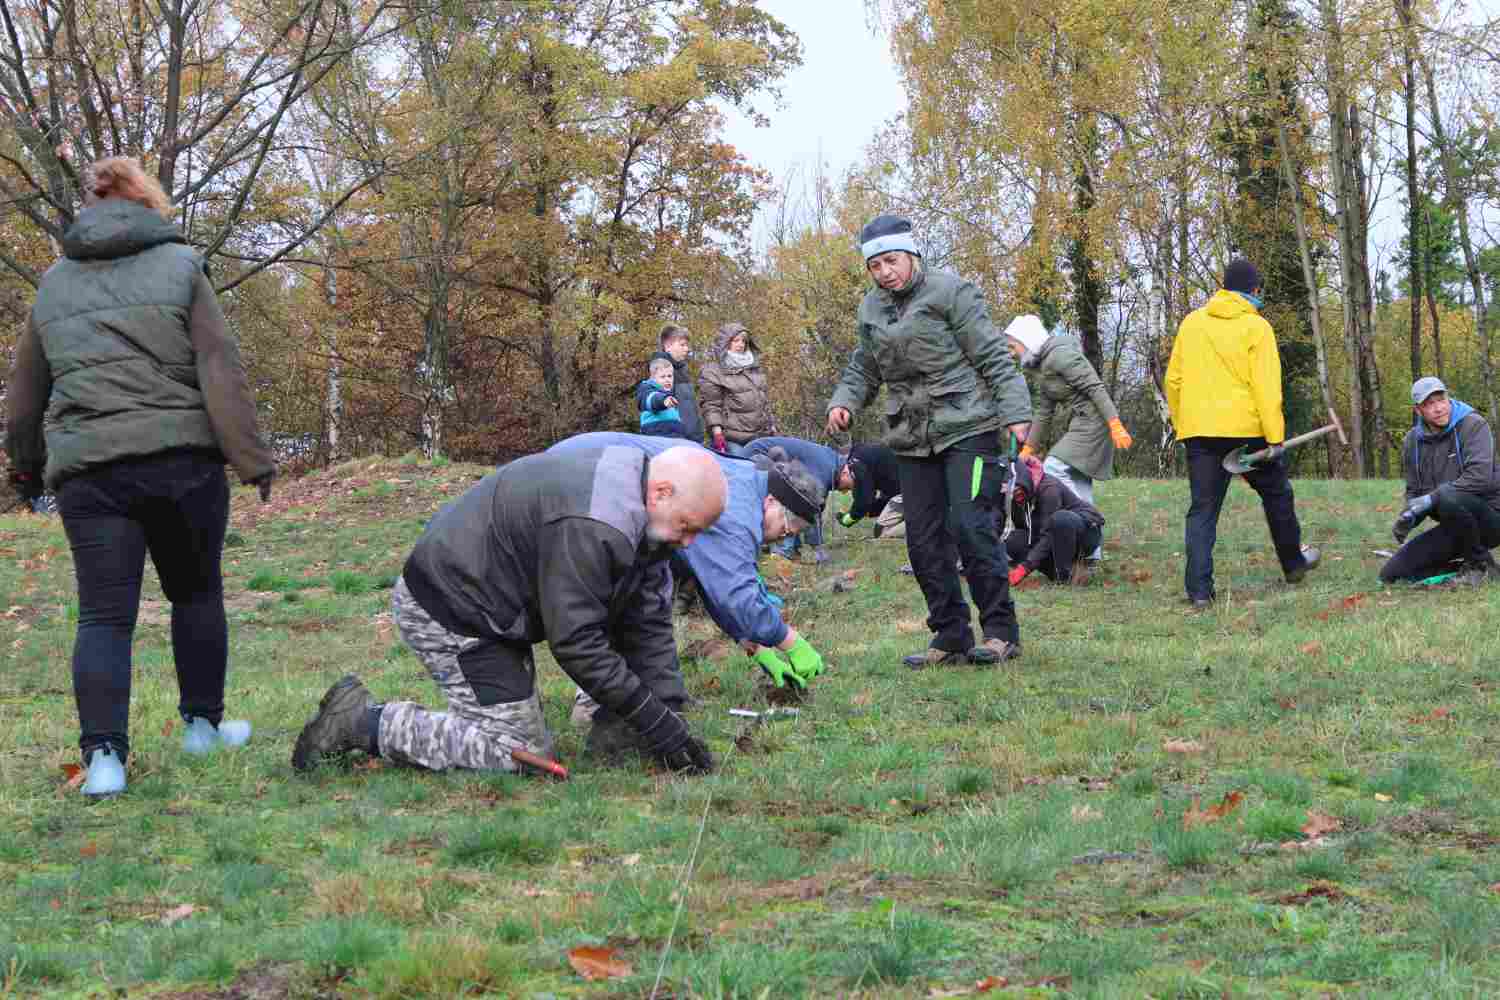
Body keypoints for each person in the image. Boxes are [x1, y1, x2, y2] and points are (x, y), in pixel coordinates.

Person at [4, 156, 275, 797]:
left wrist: (25, 469)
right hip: (183, 465)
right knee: (196, 594)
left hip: (92, 473)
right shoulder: (182, 266)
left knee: (103, 616)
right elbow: (219, 366)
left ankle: (104, 762)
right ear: (148, 203)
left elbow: (25, 390)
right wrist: (251, 458)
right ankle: (202, 728)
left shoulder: (55, 284)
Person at [292, 444, 728, 776]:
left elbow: (647, 621)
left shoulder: (641, 503)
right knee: (520, 753)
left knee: (546, 731)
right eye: (687, 526)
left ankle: (602, 718)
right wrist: (654, 721)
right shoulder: (596, 525)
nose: (689, 542)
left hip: (497, 606)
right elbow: (577, 643)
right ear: (662, 492)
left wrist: (669, 715)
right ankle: (362, 722)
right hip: (452, 609)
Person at [826, 213, 1033, 668]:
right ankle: (950, 634)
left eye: (891, 261)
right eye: (875, 265)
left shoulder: (951, 292)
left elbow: (994, 355)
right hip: (910, 436)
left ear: (911, 254)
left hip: (968, 427)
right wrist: (844, 402)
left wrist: (1017, 412)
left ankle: (1001, 631)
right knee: (922, 540)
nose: (885, 272)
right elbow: (864, 367)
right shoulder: (871, 309)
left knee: (972, 527)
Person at [549, 432, 828, 700]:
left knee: (639, 595)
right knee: (602, 600)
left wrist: (759, 650)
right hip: (577, 479)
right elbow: (736, 594)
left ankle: (651, 699)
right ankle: (596, 703)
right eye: (786, 528)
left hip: (585, 472)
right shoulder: (736, 509)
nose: (782, 538)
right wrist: (791, 642)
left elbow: (712, 581)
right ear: (772, 501)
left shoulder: (744, 481)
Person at [1166, 258, 1320, 608]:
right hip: (1246, 433)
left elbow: (1173, 380)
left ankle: (1199, 592)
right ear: (1254, 290)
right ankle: (1293, 564)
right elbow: (1266, 388)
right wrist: (1275, 437)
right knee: (1277, 494)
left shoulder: (1191, 323)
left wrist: (1183, 423)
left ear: (1223, 287)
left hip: (1200, 432)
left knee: (1203, 510)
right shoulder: (1257, 327)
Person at [1004, 314, 1131, 561]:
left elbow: (1094, 386)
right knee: (1078, 480)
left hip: (1095, 421)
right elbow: (1044, 412)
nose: (1012, 353)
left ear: (1026, 341)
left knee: (1053, 467)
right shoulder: (1042, 366)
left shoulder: (1060, 355)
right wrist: (1028, 449)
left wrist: (1115, 424)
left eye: (1013, 346)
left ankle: (1079, 524)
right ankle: (1091, 552)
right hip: (1079, 423)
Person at [1380, 377, 1500, 585]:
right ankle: (1477, 566)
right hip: (1456, 525)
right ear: (1418, 410)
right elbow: (1415, 491)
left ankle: (1478, 565)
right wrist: (1410, 515)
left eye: (1441, 400)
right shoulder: (1412, 441)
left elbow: (1480, 477)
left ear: (1448, 398)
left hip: (1492, 517)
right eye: (1429, 404)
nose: (1438, 408)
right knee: (1392, 574)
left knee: (1446, 496)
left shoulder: (1473, 425)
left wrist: (1432, 499)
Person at [743, 435, 852, 563]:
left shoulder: (831, 462)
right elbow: (810, 510)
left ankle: (790, 550)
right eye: (848, 487)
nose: (846, 491)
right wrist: (818, 548)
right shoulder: (826, 469)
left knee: (790, 512)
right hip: (757, 454)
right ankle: (781, 554)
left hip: (765, 452)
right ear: (846, 472)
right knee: (785, 511)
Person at [1003, 456, 1106, 586]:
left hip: (1085, 532)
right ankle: (1066, 573)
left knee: (1060, 519)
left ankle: (1064, 577)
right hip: (1053, 538)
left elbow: (1048, 534)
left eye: (1016, 490)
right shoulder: (1014, 498)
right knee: (1013, 541)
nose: (1014, 495)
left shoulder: (1049, 489)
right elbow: (1024, 531)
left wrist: (1025, 567)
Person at [699, 322, 775, 456]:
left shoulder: (754, 369)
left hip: (760, 436)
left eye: (743, 341)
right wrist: (717, 434)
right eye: (736, 341)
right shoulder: (713, 372)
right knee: (741, 466)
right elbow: (711, 406)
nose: (741, 344)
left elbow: (764, 402)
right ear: (725, 343)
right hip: (732, 438)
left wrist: (772, 425)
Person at [836, 443, 902, 538]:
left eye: (843, 487)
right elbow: (873, 501)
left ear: (844, 472)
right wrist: (865, 511)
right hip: (902, 488)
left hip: (908, 490)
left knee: (881, 531)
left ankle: (919, 527)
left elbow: (864, 500)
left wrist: (847, 519)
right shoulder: (861, 457)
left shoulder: (856, 465)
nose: (845, 491)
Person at [659, 324, 703, 444]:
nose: (687, 349)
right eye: (682, 345)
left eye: (687, 345)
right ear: (668, 347)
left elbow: (690, 409)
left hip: (692, 439)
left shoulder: (682, 370)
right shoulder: (662, 372)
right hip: (675, 441)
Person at [636, 353, 687, 438]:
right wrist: (663, 401)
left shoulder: (671, 393)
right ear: (653, 378)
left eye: (670, 376)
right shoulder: (647, 388)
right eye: (663, 377)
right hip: (656, 430)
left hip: (675, 431)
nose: (667, 380)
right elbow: (651, 399)